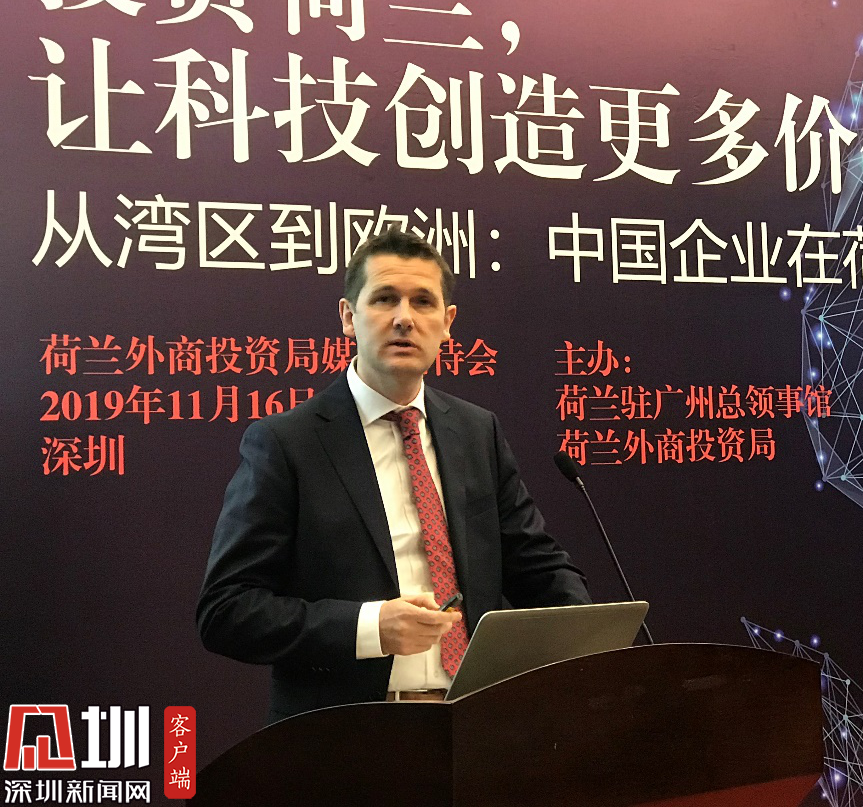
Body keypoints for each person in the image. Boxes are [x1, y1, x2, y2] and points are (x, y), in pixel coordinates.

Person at [197, 229, 590, 723]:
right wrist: (370, 627)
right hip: (351, 730)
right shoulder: (288, 442)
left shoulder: (476, 432)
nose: (405, 317)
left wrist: (590, 634)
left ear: (447, 323)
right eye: (385, 299)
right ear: (349, 317)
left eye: (423, 302)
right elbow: (227, 611)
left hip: (477, 722)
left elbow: (536, 566)